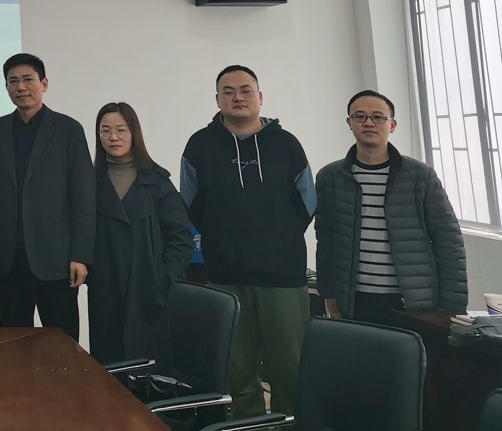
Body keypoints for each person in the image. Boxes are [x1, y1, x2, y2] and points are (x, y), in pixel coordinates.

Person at [180, 65, 316, 419]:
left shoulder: (287, 144)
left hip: (282, 278)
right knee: (237, 373)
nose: (237, 97)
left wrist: (276, 239)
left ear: (260, 97)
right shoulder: (199, 146)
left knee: (290, 371)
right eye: (228, 91)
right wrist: (225, 239)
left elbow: (307, 203)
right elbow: (190, 204)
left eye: (245, 90)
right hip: (226, 277)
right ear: (217, 100)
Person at [315, 89, 467, 325]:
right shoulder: (330, 177)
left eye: (378, 117)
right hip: (354, 300)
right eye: (360, 116)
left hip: (412, 302)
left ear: (392, 125)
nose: (368, 123)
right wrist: (328, 293)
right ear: (349, 123)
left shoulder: (420, 176)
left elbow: (448, 240)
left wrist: (453, 306)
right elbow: (325, 241)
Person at [0, 53, 95, 339]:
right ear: (6, 87)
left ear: (44, 83)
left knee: (63, 347)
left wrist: (81, 255)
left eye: (28, 79)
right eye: (13, 81)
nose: (21, 87)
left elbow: (83, 196)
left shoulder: (68, 130)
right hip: (9, 262)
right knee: (13, 347)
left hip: (56, 262)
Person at [87, 101, 193, 363]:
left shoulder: (157, 181)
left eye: (121, 130)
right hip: (105, 290)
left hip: (148, 291)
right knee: (108, 367)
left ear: (135, 132)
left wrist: (163, 278)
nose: (113, 137)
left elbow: (181, 238)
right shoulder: (89, 181)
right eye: (105, 131)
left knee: (148, 367)